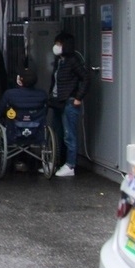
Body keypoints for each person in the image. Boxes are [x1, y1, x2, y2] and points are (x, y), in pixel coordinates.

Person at [49, 31, 90, 177]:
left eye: (59, 44)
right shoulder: (60, 61)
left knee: (69, 135)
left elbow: (85, 78)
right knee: (57, 133)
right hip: (57, 101)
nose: (56, 46)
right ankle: (56, 162)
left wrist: (78, 97)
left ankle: (70, 165)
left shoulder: (73, 60)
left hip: (69, 101)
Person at [0, 67, 48, 171]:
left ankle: (14, 160)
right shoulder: (42, 94)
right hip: (36, 131)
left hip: (14, 131)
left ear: (19, 80)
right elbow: (44, 112)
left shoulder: (10, 94)